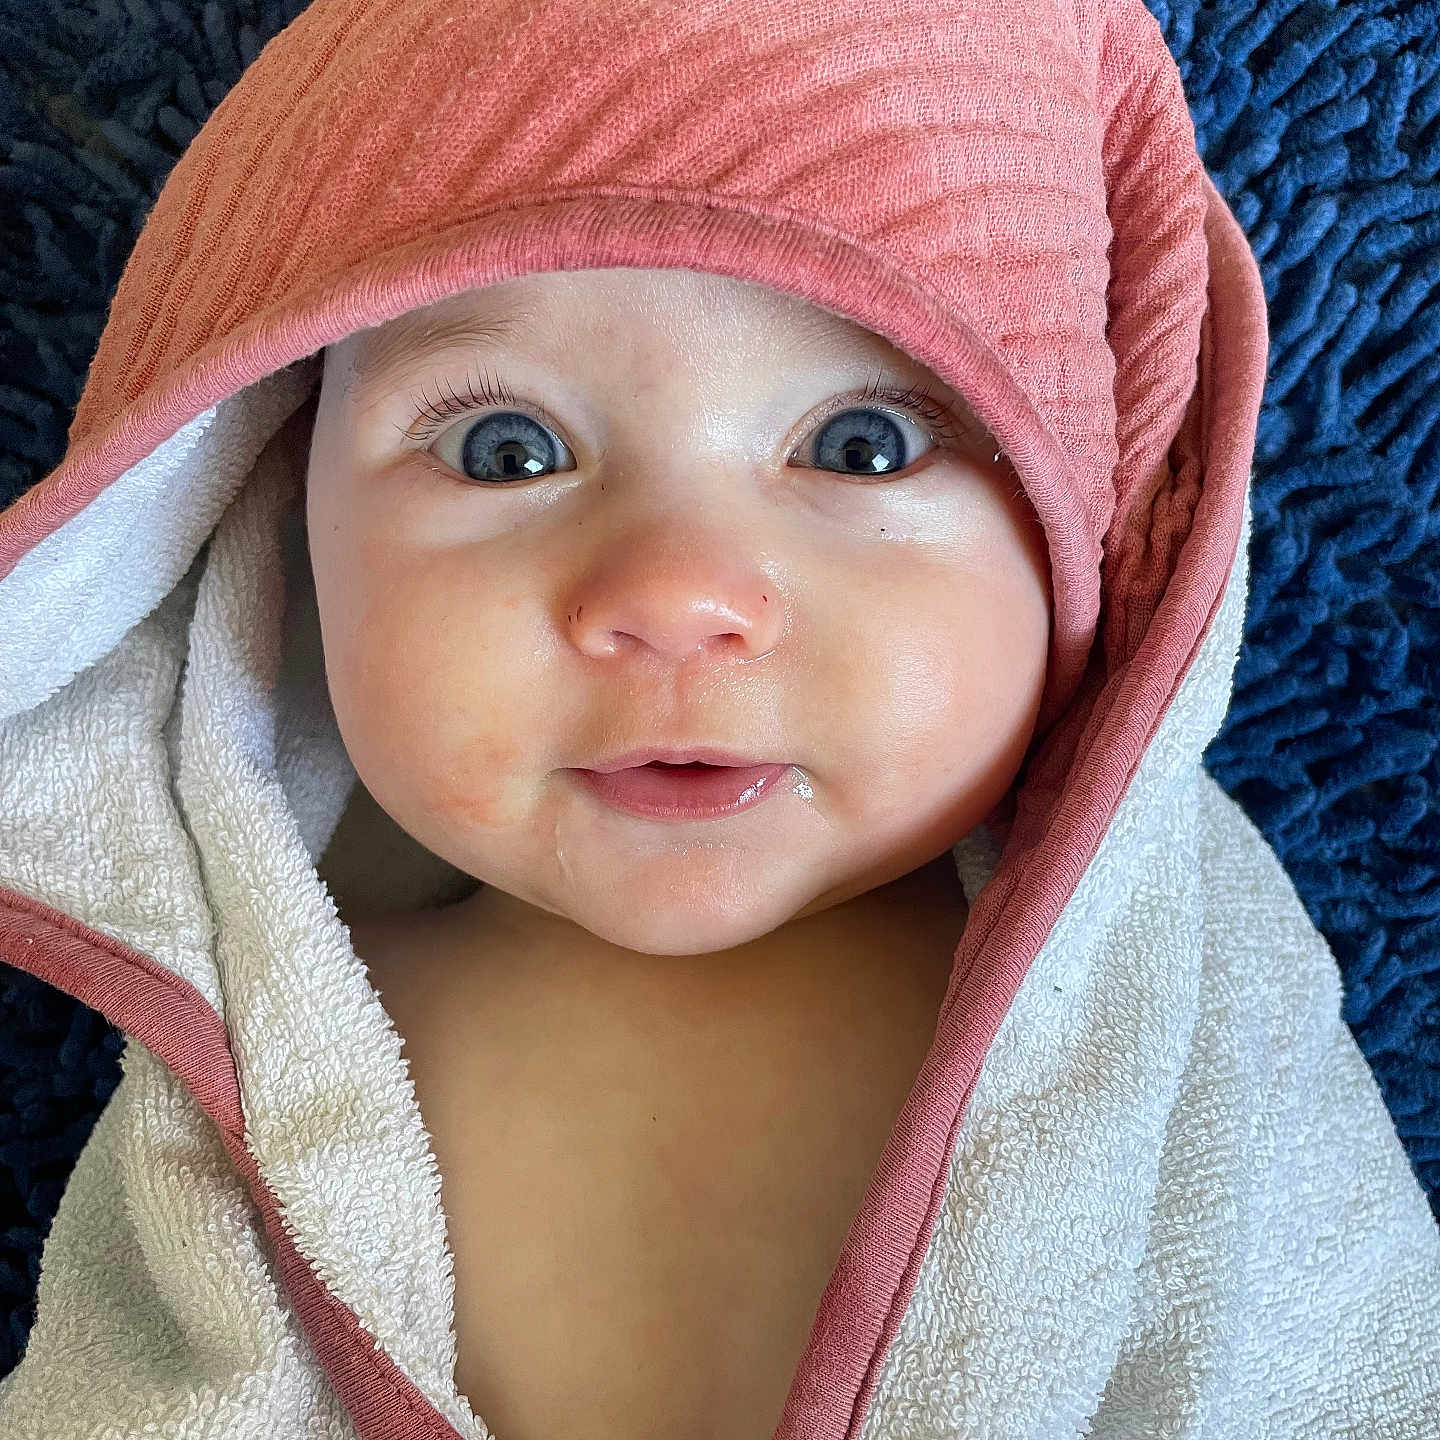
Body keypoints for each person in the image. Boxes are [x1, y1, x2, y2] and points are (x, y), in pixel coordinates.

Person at [0, 0, 1436, 1437]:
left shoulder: (1166, 992)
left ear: (1088, 542)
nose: (679, 595)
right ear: (271, 515)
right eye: (508, 450)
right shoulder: (247, 1024)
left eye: (861, 446)